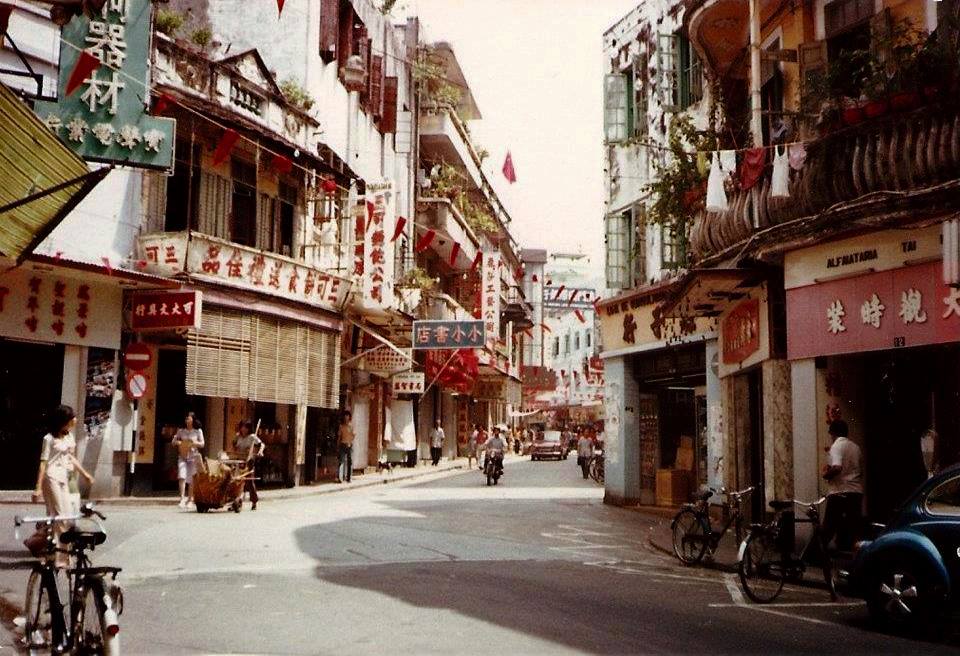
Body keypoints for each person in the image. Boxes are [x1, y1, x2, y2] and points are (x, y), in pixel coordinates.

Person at [33, 405, 94, 568]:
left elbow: (71, 459)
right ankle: (61, 558)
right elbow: (43, 463)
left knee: (68, 517)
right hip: (51, 477)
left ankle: (53, 550)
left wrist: (84, 473)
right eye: (72, 417)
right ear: (63, 420)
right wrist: (38, 487)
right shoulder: (49, 439)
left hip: (66, 477)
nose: (75, 419)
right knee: (60, 516)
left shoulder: (69, 437)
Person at [821, 420, 864, 551]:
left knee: (829, 525)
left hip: (840, 491)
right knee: (852, 525)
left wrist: (826, 475)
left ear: (833, 433)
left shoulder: (836, 446)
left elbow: (837, 467)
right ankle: (851, 555)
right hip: (856, 492)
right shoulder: (856, 447)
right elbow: (860, 472)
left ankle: (820, 556)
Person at [172, 412, 204, 508]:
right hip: (183, 456)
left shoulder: (198, 431)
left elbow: (202, 444)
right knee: (182, 476)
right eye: (186, 419)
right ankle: (182, 498)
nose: (187, 421)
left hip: (193, 457)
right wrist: (178, 442)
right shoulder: (181, 431)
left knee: (192, 479)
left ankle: (191, 499)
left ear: (193, 420)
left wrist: (195, 443)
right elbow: (173, 442)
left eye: (189, 419)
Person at [234, 420, 264, 510]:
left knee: (249, 482)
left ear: (249, 428)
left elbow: (261, 444)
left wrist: (260, 451)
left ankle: (254, 501)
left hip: (248, 461)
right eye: (242, 427)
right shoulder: (238, 437)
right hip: (239, 460)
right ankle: (236, 500)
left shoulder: (252, 437)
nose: (243, 429)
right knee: (236, 481)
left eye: (245, 427)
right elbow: (234, 446)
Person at [337, 411, 354, 483]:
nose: (346, 418)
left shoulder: (351, 426)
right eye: (345, 417)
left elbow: (353, 435)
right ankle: (340, 478)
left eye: (347, 416)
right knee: (341, 461)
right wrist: (337, 445)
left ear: (349, 417)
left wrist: (350, 442)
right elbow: (339, 436)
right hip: (342, 444)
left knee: (349, 462)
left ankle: (349, 478)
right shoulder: (341, 426)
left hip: (349, 445)